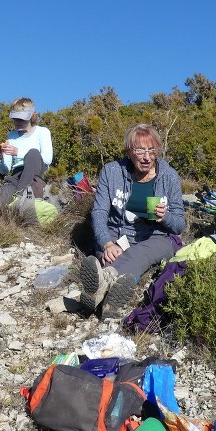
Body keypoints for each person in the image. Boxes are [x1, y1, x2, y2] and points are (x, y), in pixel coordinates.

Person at [81, 124, 185, 319]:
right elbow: (100, 212)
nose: (147, 157)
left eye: (152, 150)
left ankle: (104, 282)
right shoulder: (111, 172)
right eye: (140, 150)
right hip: (117, 233)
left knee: (139, 253)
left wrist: (165, 217)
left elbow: (179, 224)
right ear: (129, 151)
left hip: (156, 236)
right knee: (108, 254)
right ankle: (109, 302)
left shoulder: (169, 176)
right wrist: (107, 243)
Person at [0, 97, 53, 203]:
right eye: (15, 118)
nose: (17, 122)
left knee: (33, 153)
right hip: (16, 177)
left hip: (36, 174)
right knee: (5, 194)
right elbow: (5, 170)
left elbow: (47, 159)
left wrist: (18, 152)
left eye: (21, 119)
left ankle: (20, 195)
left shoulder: (42, 132)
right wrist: (0, 159)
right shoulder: (11, 136)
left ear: (32, 116)